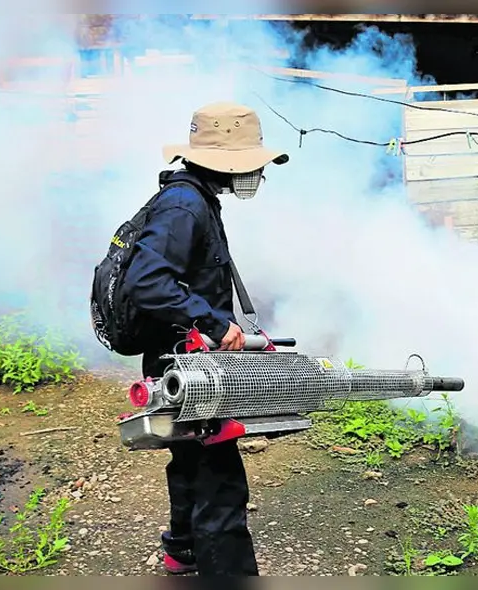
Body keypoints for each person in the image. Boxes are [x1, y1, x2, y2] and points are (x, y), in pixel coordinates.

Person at [121, 102, 289, 577]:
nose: (257, 169)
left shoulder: (193, 197)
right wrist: (214, 325)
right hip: (187, 366)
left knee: (191, 458)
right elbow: (147, 280)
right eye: (252, 159)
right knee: (222, 484)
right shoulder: (184, 206)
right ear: (227, 161)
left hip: (184, 361)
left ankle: (183, 551)